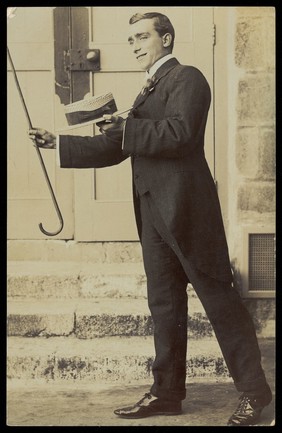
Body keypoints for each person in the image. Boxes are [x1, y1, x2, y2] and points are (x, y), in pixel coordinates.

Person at [28, 12, 272, 426]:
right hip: (154, 214)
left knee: (220, 304)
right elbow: (116, 147)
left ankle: (255, 393)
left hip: (190, 214)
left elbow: (181, 134)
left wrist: (126, 126)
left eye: (142, 37)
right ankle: (167, 393)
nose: (136, 45)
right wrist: (59, 144)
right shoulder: (145, 91)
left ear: (167, 38)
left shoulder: (188, 78)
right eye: (131, 40)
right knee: (164, 306)